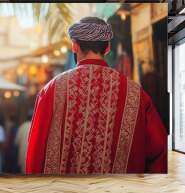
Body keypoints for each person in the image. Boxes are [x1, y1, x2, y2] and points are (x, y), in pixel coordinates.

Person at [26, 17, 167, 174]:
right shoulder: (136, 94)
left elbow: (35, 155)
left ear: (74, 45)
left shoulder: (51, 90)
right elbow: (159, 151)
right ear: (107, 48)